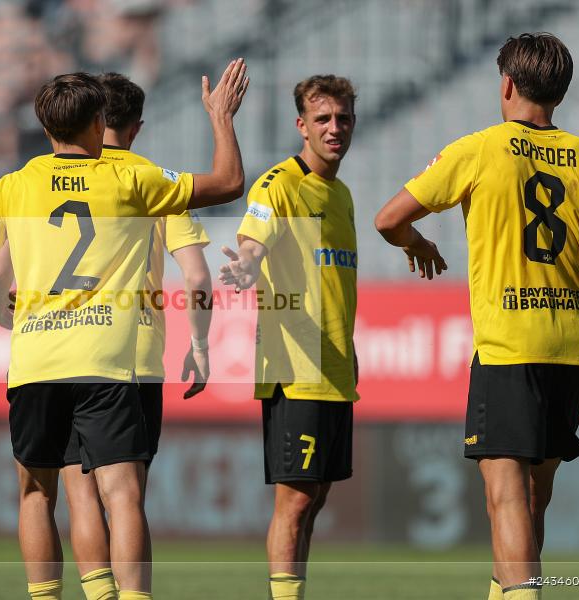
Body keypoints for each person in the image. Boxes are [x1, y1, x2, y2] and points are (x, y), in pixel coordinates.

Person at [0, 60, 249, 600]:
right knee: (122, 493)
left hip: (38, 360)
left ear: (45, 130)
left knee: (37, 493)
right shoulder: (133, 176)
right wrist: (222, 117)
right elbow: (229, 183)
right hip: (110, 357)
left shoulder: (14, 186)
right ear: (97, 124)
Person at [374, 33, 579, 600]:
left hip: (509, 342)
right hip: (572, 344)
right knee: (531, 497)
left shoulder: (480, 148)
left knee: (504, 495)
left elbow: (388, 219)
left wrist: (417, 243)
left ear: (505, 85)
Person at [0, 72, 212, 600]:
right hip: (131, 353)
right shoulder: (148, 177)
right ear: (134, 126)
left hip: (53, 346)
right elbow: (197, 276)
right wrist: (199, 345)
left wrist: (5, 310)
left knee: (77, 492)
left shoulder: (31, 179)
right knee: (124, 493)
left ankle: (97, 595)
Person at [219, 75, 359, 600]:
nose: (334, 128)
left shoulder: (340, 194)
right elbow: (253, 238)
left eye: (342, 117)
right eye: (322, 119)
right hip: (293, 367)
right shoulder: (278, 182)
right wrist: (248, 263)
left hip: (335, 366)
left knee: (315, 498)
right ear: (301, 125)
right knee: (295, 501)